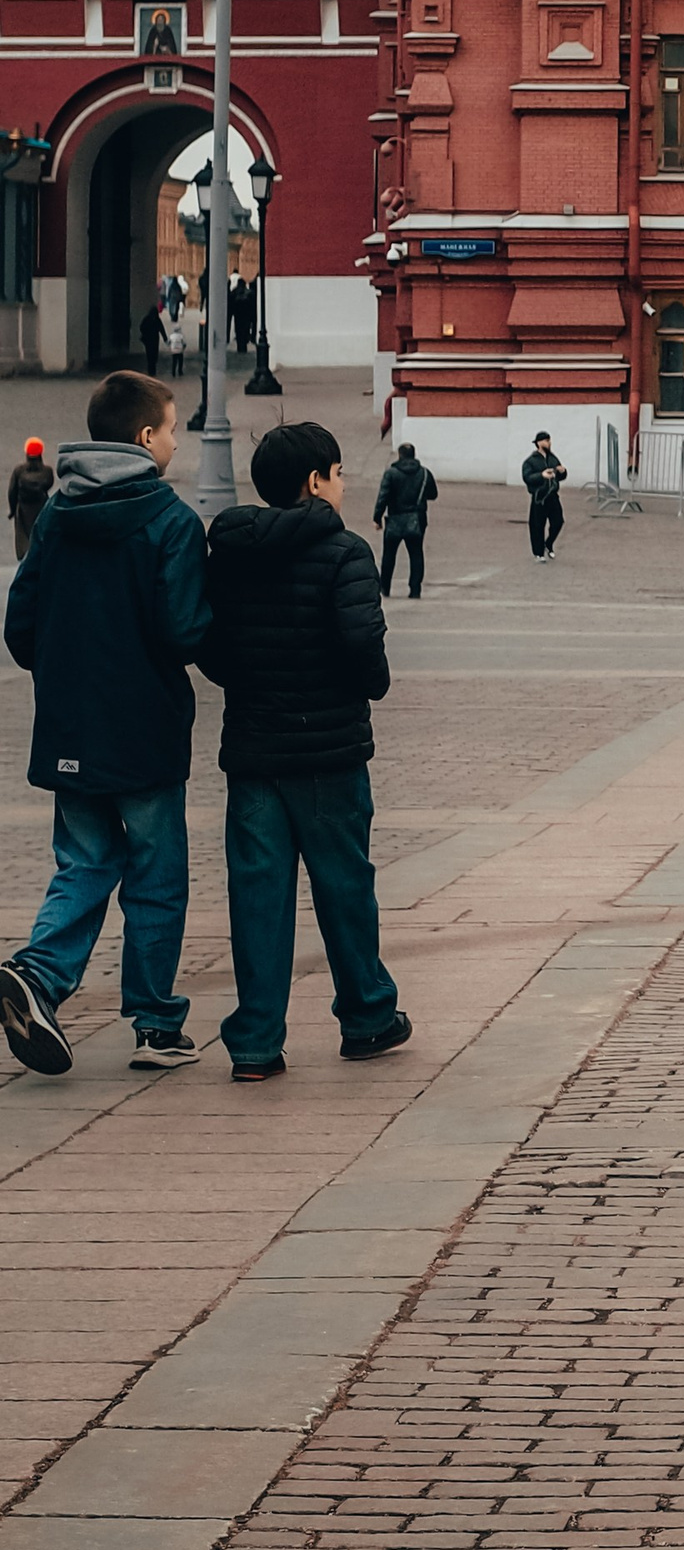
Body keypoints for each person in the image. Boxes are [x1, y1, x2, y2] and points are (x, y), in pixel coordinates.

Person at [0, 372, 210, 1075]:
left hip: (70, 730)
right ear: (147, 438)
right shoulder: (171, 520)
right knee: (156, 874)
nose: (177, 442)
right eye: (174, 429)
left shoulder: (57, 515)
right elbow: (185, 630)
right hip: (145, 730)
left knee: (84, 859)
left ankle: (40, 973)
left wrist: (66, 672)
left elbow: (20, 624)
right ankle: (155, 1025)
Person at [203, 419, 406, 1080]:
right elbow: (362, 648)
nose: (345, 484)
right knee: (344, 884)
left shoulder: (231, 550)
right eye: (340, 472)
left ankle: (257, 1042)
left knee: (258, 895)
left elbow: (208, 643)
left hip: (256, 752)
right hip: (329, 752)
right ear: (316, 481)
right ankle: (367, 1015)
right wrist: (368, 683)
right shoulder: (345, 552)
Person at [372, 441, 438, 600]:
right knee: (416, 554)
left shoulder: (391, 473)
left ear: (400, 455)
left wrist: (377, 517)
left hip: (395, 517)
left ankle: (385, 587)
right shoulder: (424, 473)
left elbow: (383, 496)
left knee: (389, 554)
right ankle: (415, 589)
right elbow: (433, 494)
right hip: (416, 519)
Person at [522, 431, 567, 562]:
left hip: (552, 495)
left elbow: (560, 476)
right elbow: (527, 477)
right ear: (539, 443)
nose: (549, 443)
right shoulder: (531, 461)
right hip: (539, 497)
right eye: (546, 440)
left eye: (549, 440)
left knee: (558, 521)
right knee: (537, 525)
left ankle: (549, 543)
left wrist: (562, 472)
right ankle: (538, 553)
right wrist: (541, 475)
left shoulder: (552, 458)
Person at [8, 438, 53, 564]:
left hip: (23, 509)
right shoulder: (47, 471)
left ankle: (25, 563)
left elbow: (12, 491)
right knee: (40, 535)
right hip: (41, 507)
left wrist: (12, 510)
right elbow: (49, 485)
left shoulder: (19, 471)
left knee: (24, 539)